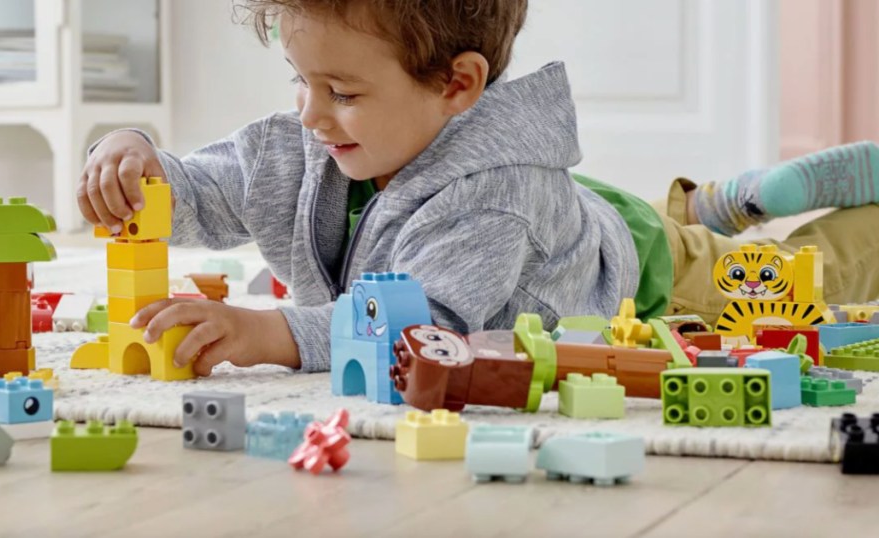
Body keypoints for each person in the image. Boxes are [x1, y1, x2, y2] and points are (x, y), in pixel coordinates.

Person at [77, 0, 879, 376]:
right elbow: (217, 187)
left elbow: (424, 322)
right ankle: (710, 203)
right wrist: (140, 161)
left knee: (797, 283)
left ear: (458, 85)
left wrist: (267, 334)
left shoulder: (493, 199)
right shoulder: (328, 131)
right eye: (300, 79)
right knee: (606, 217)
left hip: (644, 276)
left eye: (342, 93)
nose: (309, 114)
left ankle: (770, 224)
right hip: (563, 219)